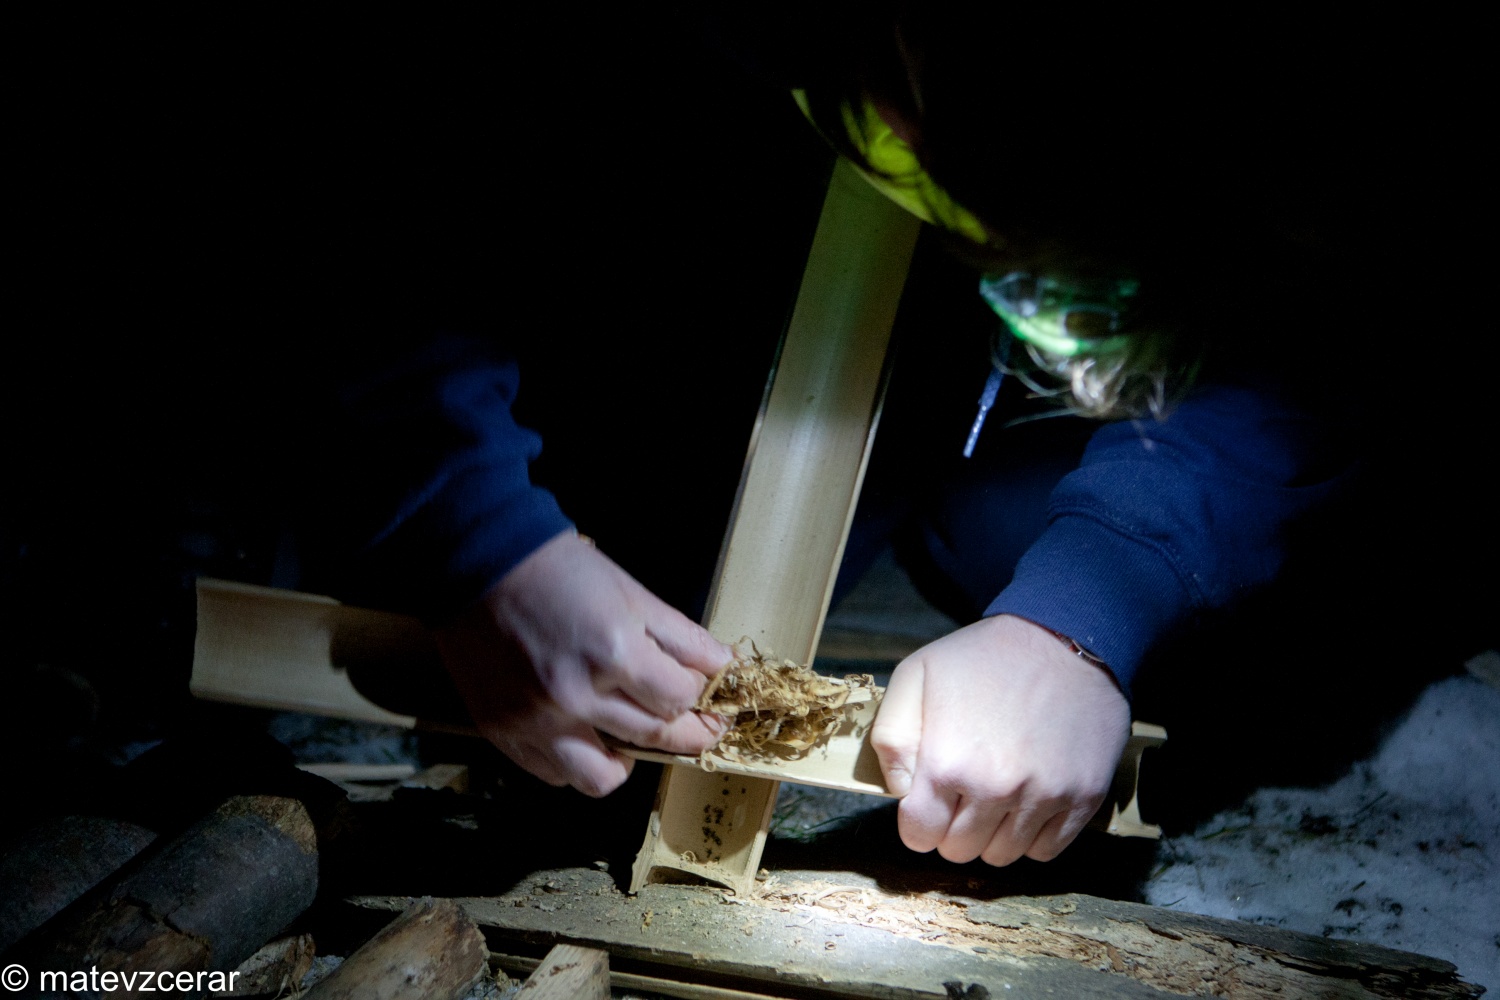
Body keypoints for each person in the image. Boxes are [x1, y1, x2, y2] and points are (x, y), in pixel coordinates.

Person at [290, 6, 1439, 867]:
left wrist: (1088, 609)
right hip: (692, 281)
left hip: (982, 401)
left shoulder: (1281, 151)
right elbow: (388, 187)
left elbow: (1323, 342)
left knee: (1242, 620)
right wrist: (479, 539)